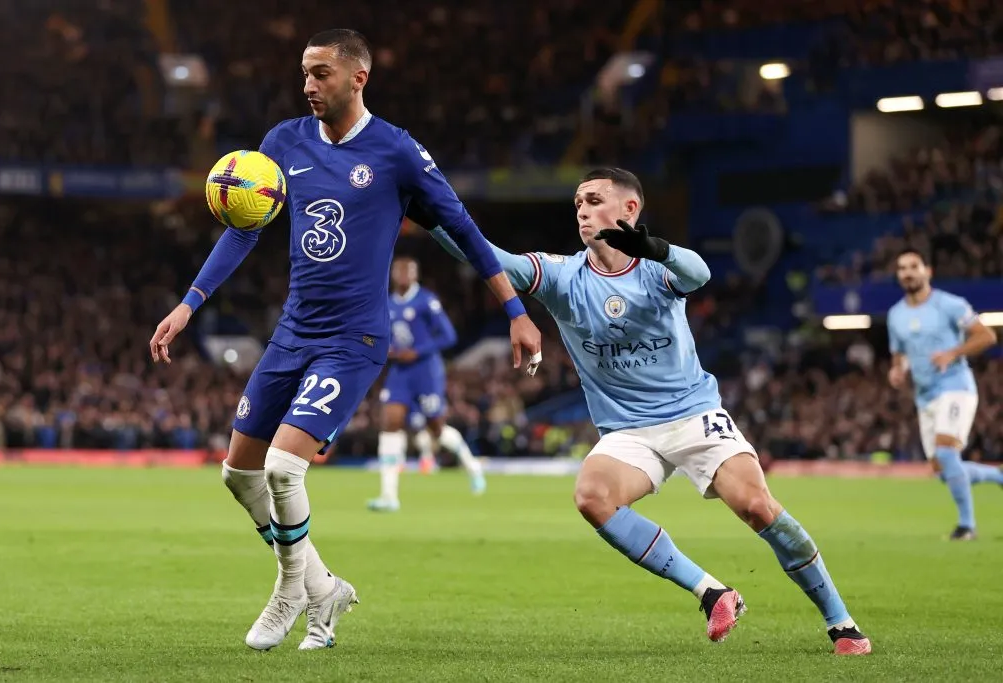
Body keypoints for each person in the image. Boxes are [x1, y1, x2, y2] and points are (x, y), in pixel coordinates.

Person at [148, 29, 541, 652]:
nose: (308, 85)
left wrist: (515, 309)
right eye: (305, 73)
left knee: (282, 465)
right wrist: (190, 303)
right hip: (293, 331)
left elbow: (464, 227)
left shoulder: (397, 152)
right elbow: (245, 229)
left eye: (322, 73)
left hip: (353, 338)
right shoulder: (282, 142)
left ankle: (289, 590)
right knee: (238, 473)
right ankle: (323, 586)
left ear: (358, 78)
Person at [424, 167, 871, 655]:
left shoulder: (659, 268)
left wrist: (654, 247)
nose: (582, 209)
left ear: (629, 209)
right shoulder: (560, 275)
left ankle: (841, 623)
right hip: (627, 430)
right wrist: (428, 213)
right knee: (592, 496)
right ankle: (713, 592)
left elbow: (699, 274)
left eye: (594, 199)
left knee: (757, 506)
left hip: (693, 416)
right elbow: (485, 256)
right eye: (578, 203)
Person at [887, 248, 1000, 541]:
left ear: (928, 271)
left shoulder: (950, 304)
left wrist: (953, 352)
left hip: (955, 386)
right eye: (902, 268)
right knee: (942, 470)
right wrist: (897, 371)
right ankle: (998, 477)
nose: (907, 272)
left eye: (913, 266)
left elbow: (986, 335)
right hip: (924, 397)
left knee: (948, 453)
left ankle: (967, 526)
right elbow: (899, 355)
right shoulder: (895, 315)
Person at [369, 256, 486, 512]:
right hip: (400, 371)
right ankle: (389, 496)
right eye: (399, 270)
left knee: (436, 429)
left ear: (415, 275)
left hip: (426, 371)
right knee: (389, 422)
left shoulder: (426, 301)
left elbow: (448, 336)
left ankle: (472, 465)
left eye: (408, 270)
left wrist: (418, 351)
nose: (403, 275)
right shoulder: (386, 303)